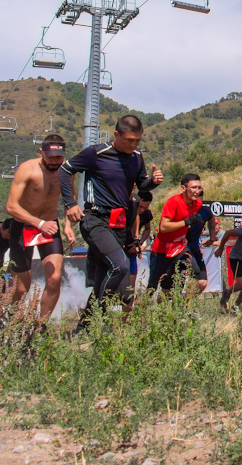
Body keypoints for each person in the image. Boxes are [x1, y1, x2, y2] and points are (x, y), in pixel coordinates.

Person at [60, 116, 163, 329]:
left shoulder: (136, 157)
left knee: (104, 277)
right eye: (130, 140)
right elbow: (66, 169)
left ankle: (85, 326)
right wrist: (70, 204)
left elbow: (141, 185)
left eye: (138, 140)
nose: (134, 145)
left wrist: (152, 182)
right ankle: (97, 320)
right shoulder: (96, 154)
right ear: (116, 135)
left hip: (119, 223)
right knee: (120, 267)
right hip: (95, 219)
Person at [6, 135, 75, 321]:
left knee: (54, 278)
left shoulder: (66, 171)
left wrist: (68, 225)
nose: (55, 162)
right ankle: (9, 321)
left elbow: (70, 201)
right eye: (51, 157)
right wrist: (39, 223)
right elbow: (11, 206)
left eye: (59, 158)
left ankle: (41, 326)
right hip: (24, 226)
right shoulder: (27, 169)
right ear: (41, 152)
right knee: (22, 287)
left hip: (50, 226)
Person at [149, 174, 215, 297]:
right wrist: (186, 222)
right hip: (162, 249)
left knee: (178, 286)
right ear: (183, 188)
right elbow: (163, 227)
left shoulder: (198, 204)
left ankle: (182, 311)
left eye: (199, 188)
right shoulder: (173, 202)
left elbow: (210, 218)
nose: (197, 191)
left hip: (180, 248)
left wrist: (209, 237)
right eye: (194, 187)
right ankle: (140, 313)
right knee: (152, 288)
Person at [126, 190, 155, 291]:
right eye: (140, 206)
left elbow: (147, 229)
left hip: (133, 247)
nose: (142, 210)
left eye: (145, 207)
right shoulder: (127, 211)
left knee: (132, 276)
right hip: (121, 244)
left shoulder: (146, 215)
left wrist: (140, 243)